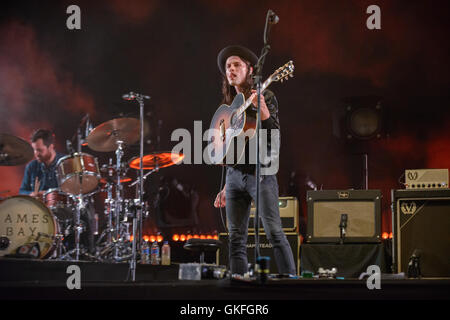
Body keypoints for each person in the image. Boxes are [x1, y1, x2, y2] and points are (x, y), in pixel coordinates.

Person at [213, 45, 296, 276]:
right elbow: (233, 149)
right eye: (228, 66)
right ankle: (239, 286)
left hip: (261, 173)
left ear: (250, 69)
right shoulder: (230, 106)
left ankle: (293, 283)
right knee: (236, 239)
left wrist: (265, 113)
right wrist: (226, 185)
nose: (231, 69)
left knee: (274, 233)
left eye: (236, 64)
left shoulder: (265, 96)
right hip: (233, 177)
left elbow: (274, 135)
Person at [19, 129, 66, 196]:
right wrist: (31, 194)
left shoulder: (65, 163)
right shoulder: (31, 166)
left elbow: (73, 189)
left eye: (39, 150)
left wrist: (48, 194)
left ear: (51, 147)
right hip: (36, 205)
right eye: (34, 150)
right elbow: (22, 191)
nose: (36, 154)